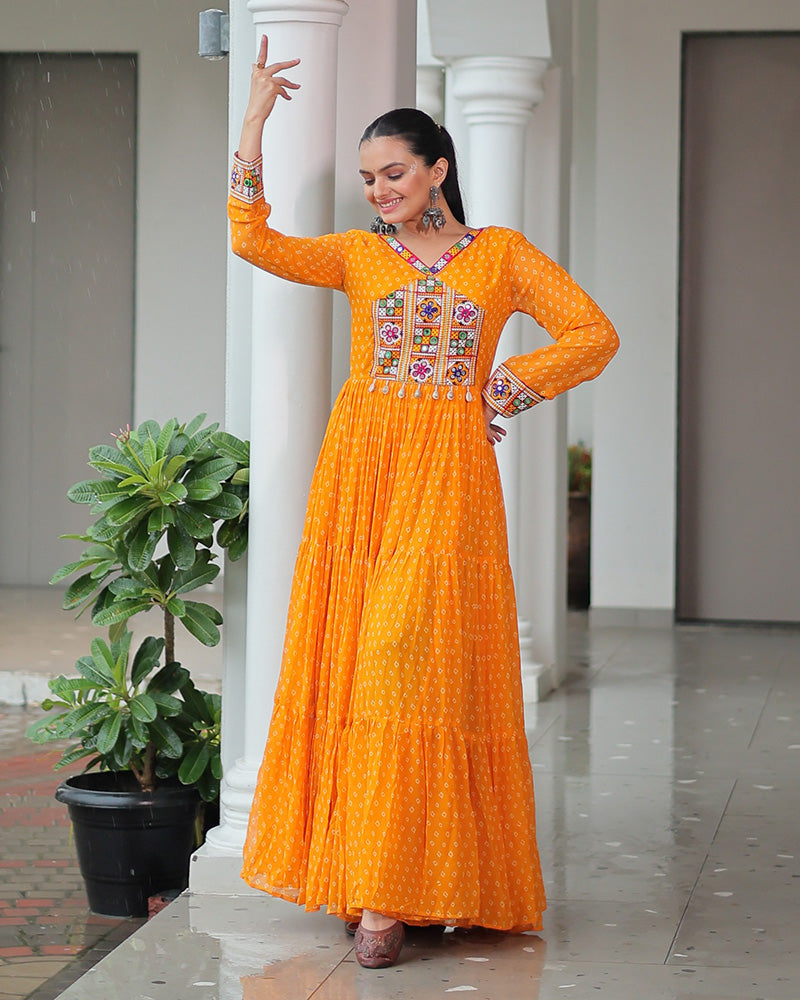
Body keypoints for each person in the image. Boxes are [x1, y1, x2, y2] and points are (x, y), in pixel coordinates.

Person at [229, 36, 619, 970]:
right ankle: (373, 885)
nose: (379, 190)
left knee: (410, 668)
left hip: (448, 479)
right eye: (368, 178)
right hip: (361, 475)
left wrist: (502, 390)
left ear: (438, 168)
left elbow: (592, 332)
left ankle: (395, 892)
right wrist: (254, 118)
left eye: (394, 172)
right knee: (361, 672)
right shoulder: (361, 257)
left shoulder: (501, 256)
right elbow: (253, 240)